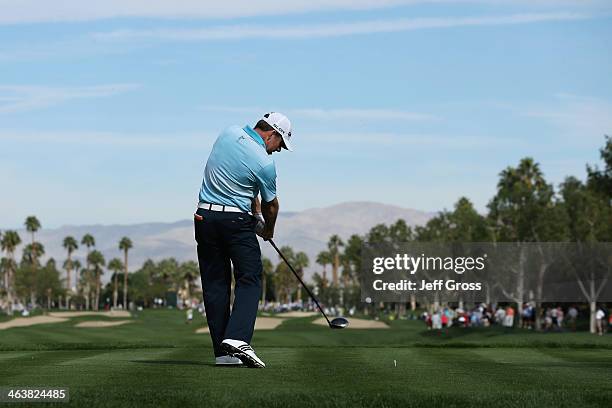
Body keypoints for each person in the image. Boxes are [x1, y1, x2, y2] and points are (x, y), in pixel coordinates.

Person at [194, 112, 293, 368]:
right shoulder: (264, 163)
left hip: (204, 217)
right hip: (236, 224)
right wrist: (267, 228)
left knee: (215, 285)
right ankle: (238, 338)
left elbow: (244, 184)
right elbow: (272, 205)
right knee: (250, 277)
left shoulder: (228, 133)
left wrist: (255, 214)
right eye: (280, 144)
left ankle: (224, 353)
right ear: (272, 134)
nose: (278, 150)